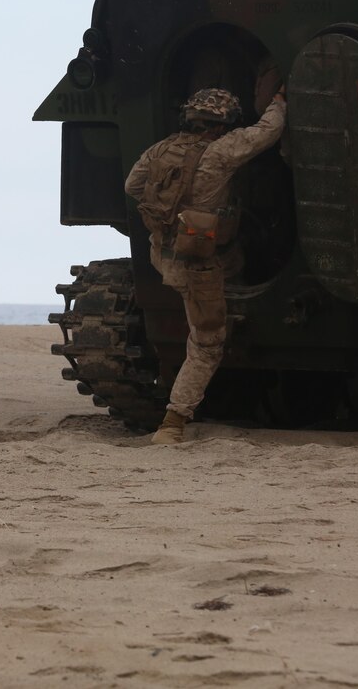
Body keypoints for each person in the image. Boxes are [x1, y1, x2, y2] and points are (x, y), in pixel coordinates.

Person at [124, 85, 287, 444]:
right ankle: (173, 422)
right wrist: (278, 102)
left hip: (162, 254)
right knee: (207, 343)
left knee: (235, 262)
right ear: (223, 123)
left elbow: (133, 186)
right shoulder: (220, 153)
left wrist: (173, 210)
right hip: (197, 264)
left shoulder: (160, 150)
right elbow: (268, 132)